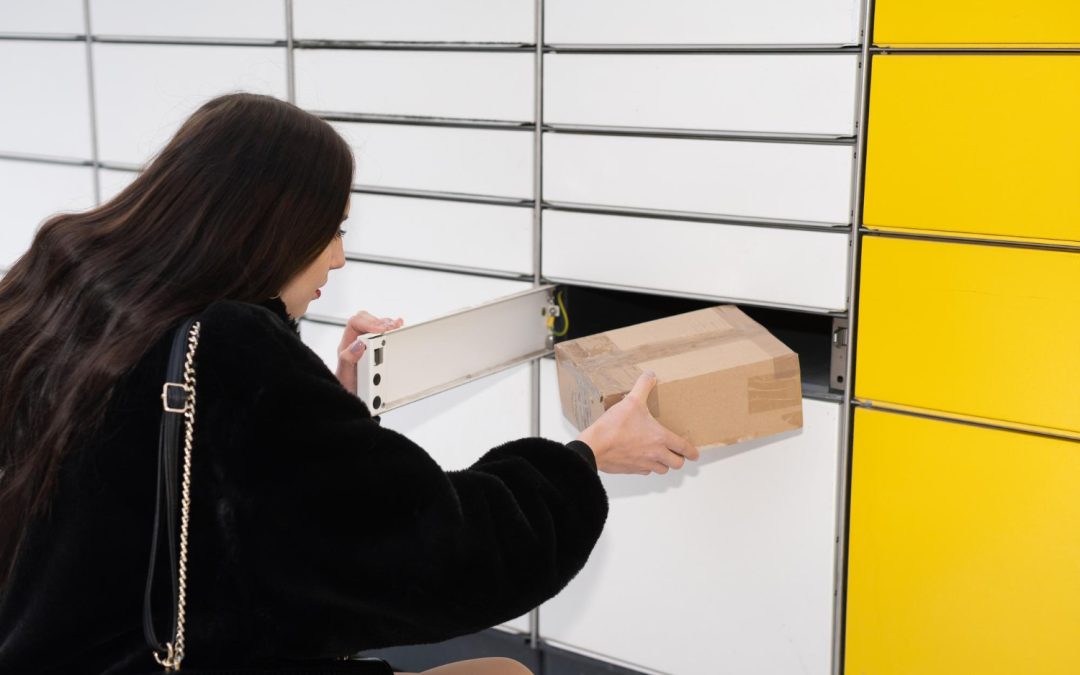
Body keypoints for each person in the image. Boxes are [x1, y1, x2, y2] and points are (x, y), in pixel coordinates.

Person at [0, 93, 699, 675]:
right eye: (330, 228)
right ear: (269, 227)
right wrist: (586, 459)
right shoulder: (233, 351)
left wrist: (320, 397)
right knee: (503, 671)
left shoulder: (63, 299)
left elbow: (198, 483)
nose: (338, 254)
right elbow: (441, 557)